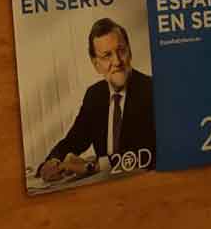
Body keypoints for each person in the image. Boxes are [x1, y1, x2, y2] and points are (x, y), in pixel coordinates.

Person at [37, 18, 155, 181]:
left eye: (121, 51)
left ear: (130, 51)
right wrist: (52, 162)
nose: (117, 61)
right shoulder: (94, 95)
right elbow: (74, 140)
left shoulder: (152, 90)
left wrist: (90, 167)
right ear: (96, 64)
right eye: (107, 55)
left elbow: (147, 154)